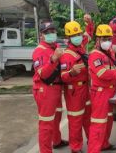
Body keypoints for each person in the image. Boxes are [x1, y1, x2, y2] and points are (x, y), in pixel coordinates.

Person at [32, 22, 68, 153]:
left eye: (53, 31)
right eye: (47, 32)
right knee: (46, 123)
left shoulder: (55, 46)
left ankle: (57, 141)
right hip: (45, 89)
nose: (51, 34)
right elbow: (43, 74)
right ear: (41, 35)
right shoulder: (39, 51)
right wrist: (53, 59)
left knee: (56, 117)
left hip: (56, 88)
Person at [60, 15, 94, 153]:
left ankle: (92, 141)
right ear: (68, 38)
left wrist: (89, 23)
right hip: (74, 91)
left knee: (87, 117)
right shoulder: (66, 55)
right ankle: (76, 147)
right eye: (74, 35)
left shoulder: (80, 46)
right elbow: (63, 77)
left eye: (78, 34)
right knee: (75, 121)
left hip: (85, 88)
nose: (78, 36)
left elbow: (89, 33)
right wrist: (72, 73)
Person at [87, 24, 116, 153]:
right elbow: (102, 74)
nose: (107, 42)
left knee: (109, 120)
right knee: (98, 123)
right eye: (104, 39)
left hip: (110, 91)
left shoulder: (109, 51)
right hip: (100, 92)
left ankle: (104, 144)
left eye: (109, 39)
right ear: (98, 40)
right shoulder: (95, 55)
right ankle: (94, 149)